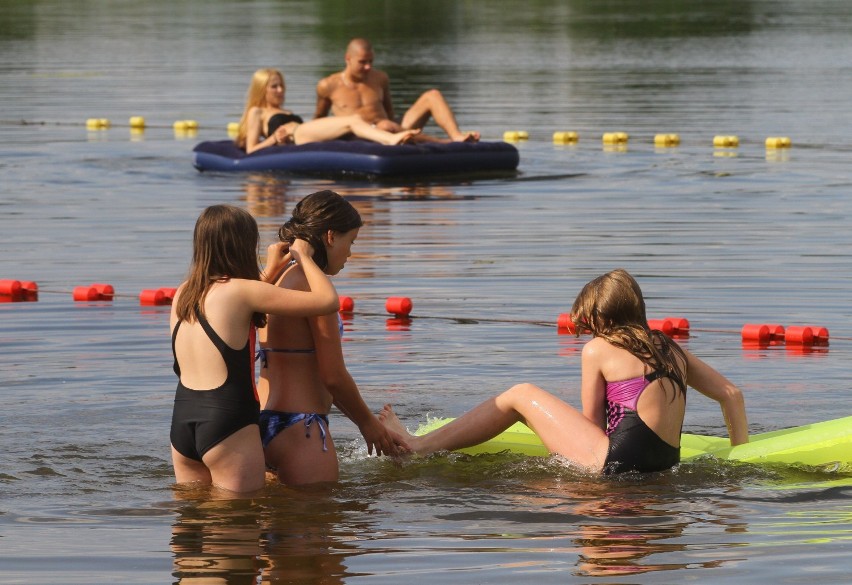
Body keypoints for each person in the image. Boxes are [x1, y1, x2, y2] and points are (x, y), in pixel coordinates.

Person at [380, 269, 749, 475]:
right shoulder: (672, 348)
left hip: (615, 465)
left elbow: (592, 426)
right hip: (664, 465)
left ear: (601, 318)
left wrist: (543, 424)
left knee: (520, 395)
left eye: (589, 324)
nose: (588, 333)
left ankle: (415, 446)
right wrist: (741, 459)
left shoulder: (599, 349)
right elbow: (731, 394)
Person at [169, 204, 339, 493]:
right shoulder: (243, 291)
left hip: (183, 423)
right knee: (236, 527)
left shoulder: (183, 294)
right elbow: (327, 301)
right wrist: (304, 258)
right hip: (228, 423)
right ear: (244, 245)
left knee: (189, 522)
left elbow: (231, 309)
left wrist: (270, 270)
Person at [256, 190, 409, 485]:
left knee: (275, 523)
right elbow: (333, 376)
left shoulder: (276, 279)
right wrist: (369, 425)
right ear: (330, 237)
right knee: (320, 522)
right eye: (350, 241)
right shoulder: (316, 291)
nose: (350, 253)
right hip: (303, 429)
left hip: (263, 424)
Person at [314, 38, 480, 143]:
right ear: (348, 58)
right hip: (360, 135)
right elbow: (319, 120)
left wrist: (396, 126)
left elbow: (389, 111)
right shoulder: (328, 85)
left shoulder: (380, 77)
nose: (368, 67)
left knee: (432, 95)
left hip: (390, 126)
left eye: (371, 61)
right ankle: (442, 143)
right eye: (363, 62)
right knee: (385, 125)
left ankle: (456, 136)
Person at [235, 68, 419, 154]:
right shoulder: (257, 112)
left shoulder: (286, 110)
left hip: (303, 133)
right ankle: (392, 140)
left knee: (352, 125)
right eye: (274, 87)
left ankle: (398, 139)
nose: (280, 90)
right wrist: (273, 139)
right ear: (261, 89)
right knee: (352, 119)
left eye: (281, 85)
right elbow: (251, 149)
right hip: (296, 136)